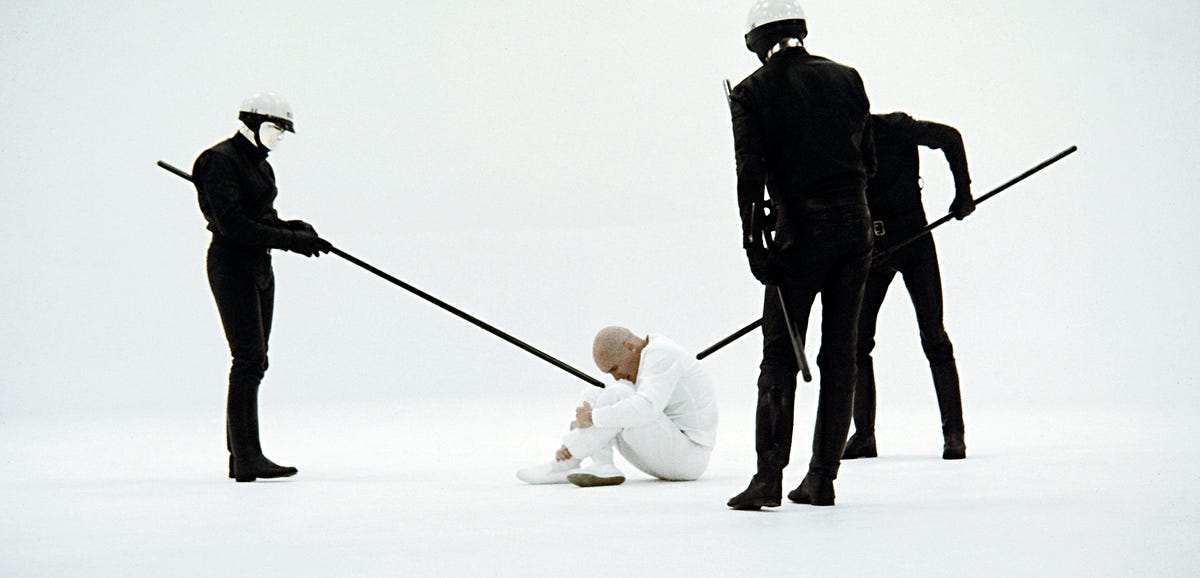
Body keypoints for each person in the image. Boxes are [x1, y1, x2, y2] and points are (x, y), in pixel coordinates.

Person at [725, 1, 875, 510]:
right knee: (841, 355)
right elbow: (869, 161)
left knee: (779, 358)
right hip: (856, 229)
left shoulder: (750, 92)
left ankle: (768, 479)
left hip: (800, 235)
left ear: (756, 42)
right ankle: (822, 478)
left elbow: (749, 175)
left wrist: (754, 242)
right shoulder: (847, 77)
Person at [192, 92, 333, 482]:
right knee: (248, 360)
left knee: (256, 361)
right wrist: (291, 241)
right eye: (276, 128)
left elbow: (262, 219)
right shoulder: (218, 161)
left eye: (284, 132)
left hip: (259, 266)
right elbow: (233, 225)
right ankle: (247, 458)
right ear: (251, 123)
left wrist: (295, 229)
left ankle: (241, 456)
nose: (280, 138)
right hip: (232, 266)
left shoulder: (261, 166)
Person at [841, 112, 975, 461]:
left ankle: (954, 434)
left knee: (934, 336)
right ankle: (864, 436)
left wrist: (963, 192)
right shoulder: (836, 143)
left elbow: (950, 137)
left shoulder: (894, 128)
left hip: (914, 243)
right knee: (857, 343)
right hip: (873, 252)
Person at [516, 327, 718, 487]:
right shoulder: (648, 355)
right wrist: (587, 419)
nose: (616, 376)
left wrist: (590, 420)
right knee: (594, 394)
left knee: (619, 395)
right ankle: (602, 465)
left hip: (689, 458)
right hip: (667, 452)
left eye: (614, 368)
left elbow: (646, 408)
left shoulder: (661, 353)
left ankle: (567, 461)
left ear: (630, 347)